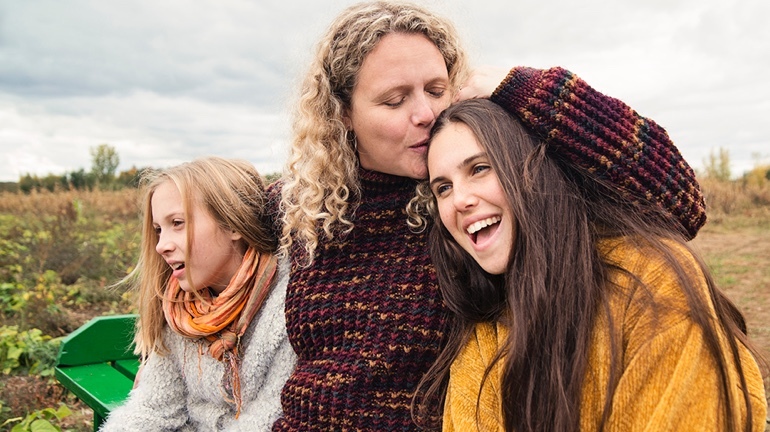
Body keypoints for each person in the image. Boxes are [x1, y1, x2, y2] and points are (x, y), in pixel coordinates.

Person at [268, 1, 706, 430]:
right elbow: (214, 219)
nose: (426, 114)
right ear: (342, 112)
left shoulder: (486, 196)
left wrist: (531, 89)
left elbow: (681, 203)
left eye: (436, 91)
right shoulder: (307, 204)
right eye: (394, 100)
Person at [416, 68, 768, 431]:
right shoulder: (483, 334)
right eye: (442, 188)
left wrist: (521, 88)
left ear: (532, 168)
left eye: (479, 168)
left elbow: (680, 197)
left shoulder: (649, 284)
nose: (459, 200)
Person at [100, 157, 296, 432]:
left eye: (177, 223)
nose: (161, 246)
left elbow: (266, 422)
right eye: (158, 230)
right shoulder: (180, 308)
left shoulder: (290, 305)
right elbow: (153, 408)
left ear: (233, 225)